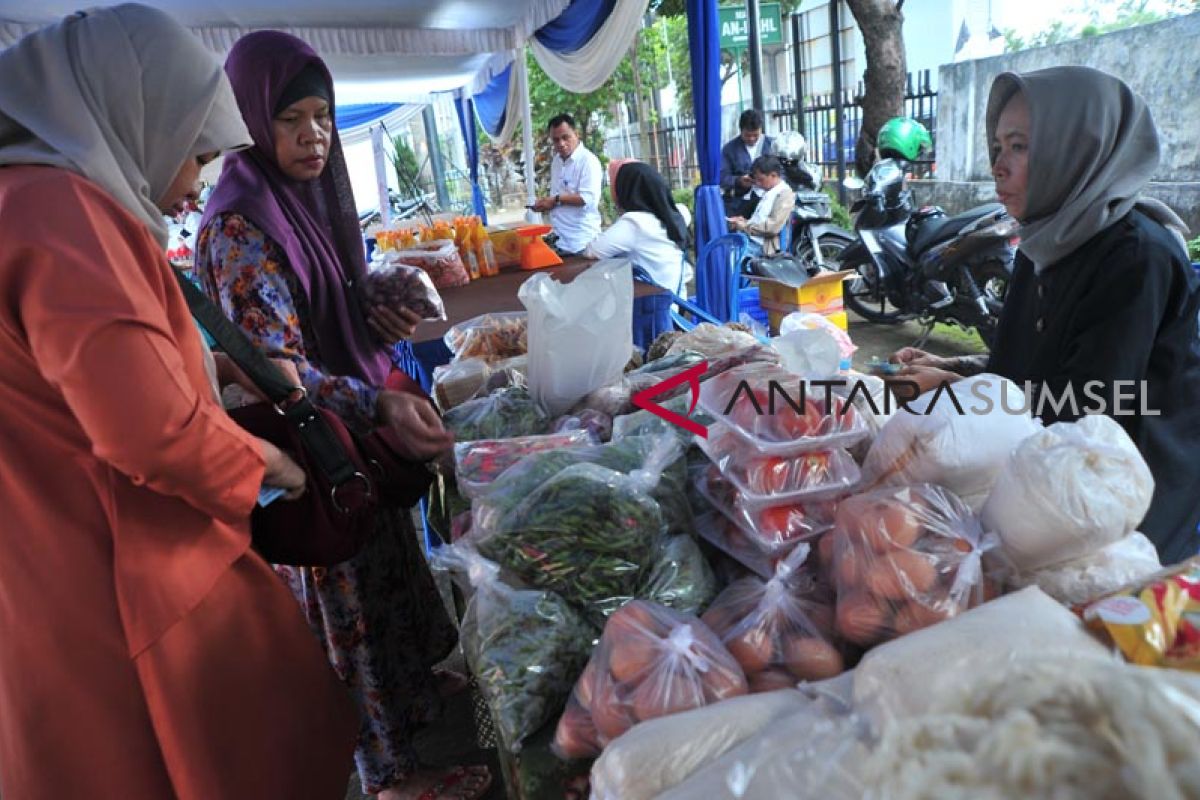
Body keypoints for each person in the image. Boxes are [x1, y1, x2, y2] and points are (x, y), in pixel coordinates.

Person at [0, 6, 360, 799]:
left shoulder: (17, 203)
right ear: (131, 114)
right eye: (194, 149)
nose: (195, 181)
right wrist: (265, 463)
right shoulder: (61, 213)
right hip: (127, 573)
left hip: (51, 569)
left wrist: (222, 378)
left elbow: (75, 381)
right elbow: (151, 430)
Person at [193, 31, 490, 800]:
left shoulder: (308, 200)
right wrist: (379, 398)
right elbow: (276, 370)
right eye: (290, 117)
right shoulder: (237, 225)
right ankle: (390, 775)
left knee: (390, 575)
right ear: (252, 119)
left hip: (353, 437)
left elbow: (330, 311)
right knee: (349, 614)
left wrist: (376, 319)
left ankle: (416, 703)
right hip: (313, 457)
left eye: (322, 115)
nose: (313, 134)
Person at [892, 66, 1200, 565]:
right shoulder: (1048, 238)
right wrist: (957, 369)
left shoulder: (1136, 254)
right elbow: (1025, 366)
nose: (999, 166)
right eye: (997, 147)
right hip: (1049, 474)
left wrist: (954, 391)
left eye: (1020, 146)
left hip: (1129, 503)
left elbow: (1090, 405)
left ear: (1080, 147)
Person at [585, 159, 691, 292]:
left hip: (651, 306)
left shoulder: (634, 223)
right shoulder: (679, 213)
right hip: (678, 301)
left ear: (627, 190)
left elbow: (593, 251)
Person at [529, 113, 603, 256]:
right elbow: (558, 195)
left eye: (565, 137)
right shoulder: (556, 161)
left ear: (576, 134)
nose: (561, 144)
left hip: (582, 243)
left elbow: (587, 199)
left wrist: (556, 199)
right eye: (556, 140)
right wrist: (546, 204)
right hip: (560, 241)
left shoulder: (588, 161)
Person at [727, 155, 796, 258]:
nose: (758, 183)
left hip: (760, 246)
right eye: (756, 180)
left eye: (761, 180)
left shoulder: (784, 194)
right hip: (750, 239)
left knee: (725, 258)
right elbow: (760, 220)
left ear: (773, 175)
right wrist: (744, 221)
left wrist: (745, 226)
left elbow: (772, 227)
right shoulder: (769, 191)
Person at [720, 109, 776, 217]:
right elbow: (722, 177)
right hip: (740, 204)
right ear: (740, 130)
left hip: (769, 202)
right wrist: (738, 181)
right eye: (747, 135)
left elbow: (782, 172)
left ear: (761, 129)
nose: (751, 139)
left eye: (755, 135)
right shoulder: (729, 149)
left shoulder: (772, 145)